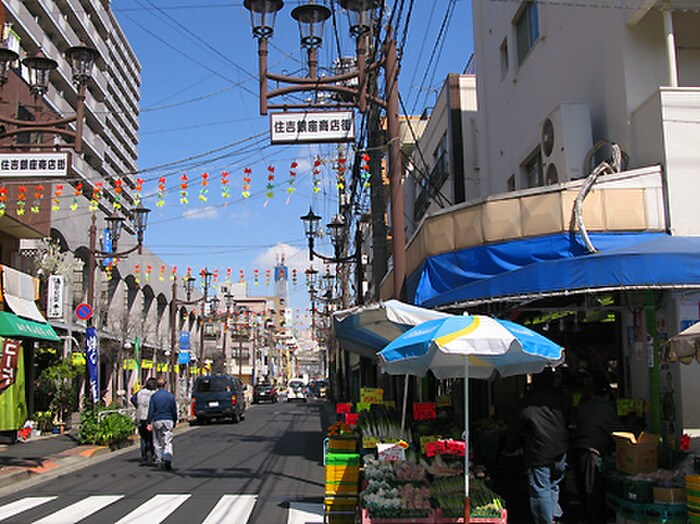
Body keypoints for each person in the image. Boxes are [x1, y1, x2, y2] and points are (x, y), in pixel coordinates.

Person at [505, 369, 570, 524]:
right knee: (554, 484)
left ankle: (546, 521)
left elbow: (516, 427)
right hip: (560, 449)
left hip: (539, 452)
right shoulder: (561, 398)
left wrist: (509, 447)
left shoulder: (528, 402)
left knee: (541, 489)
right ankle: (554, 516)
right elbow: (571, 420)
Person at [572, 378, 620, 524]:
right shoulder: (606, 408)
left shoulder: (585, 405)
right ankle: (594, 519)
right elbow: (616, 429)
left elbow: (576, 422)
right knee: (592, 488)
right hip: (592, 450)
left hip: (580, 447)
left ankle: (585, 516)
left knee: (584, 486)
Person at [146, 377, 178, 470]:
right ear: (165, 385)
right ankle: (167, 459)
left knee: (157, 441)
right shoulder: (170, 396)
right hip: (168, 419)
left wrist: (149, 421)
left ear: (157, 386)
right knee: (168, 441)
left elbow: (151, 410)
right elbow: (174, 410)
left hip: (157, 420)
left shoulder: (154, 396)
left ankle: (159, 459)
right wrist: (175, 420)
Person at [131, 377, 157, 466]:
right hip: (151, 419)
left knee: (143, 438)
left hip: (140, 417)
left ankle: (144, 456)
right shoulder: (154, 394)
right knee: (152, 437)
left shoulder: (139, 393)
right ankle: (152, 454)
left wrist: (138, 406)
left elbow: (132, 399)